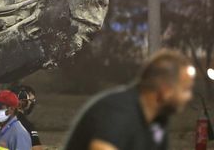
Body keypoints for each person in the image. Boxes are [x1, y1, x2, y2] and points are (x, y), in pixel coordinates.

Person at [63, 49, 195, 150]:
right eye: (185, 90)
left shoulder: (158, 120)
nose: (189, 96)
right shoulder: (118, 110)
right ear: (166, 91)